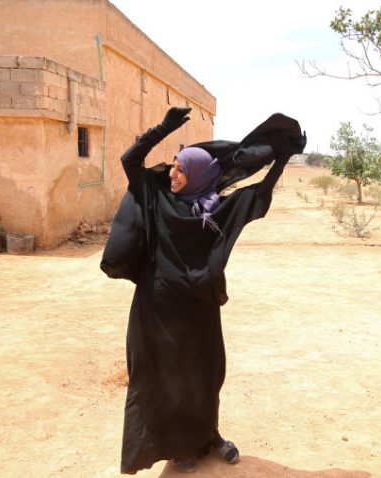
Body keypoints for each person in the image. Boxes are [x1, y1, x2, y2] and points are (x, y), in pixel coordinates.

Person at [113, 107, 304, 474]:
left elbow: (259, 194)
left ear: (200, 175)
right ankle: (179, 447)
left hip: (200, 308)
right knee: (166, 376)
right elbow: (130, 161)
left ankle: (209, 435)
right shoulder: (156, 197)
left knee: (204, 372)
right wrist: (163, 128)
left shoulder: (217, 211)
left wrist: (281, 159)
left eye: (181, 169)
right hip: (157, 308)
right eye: (173, 166)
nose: (173, 174)